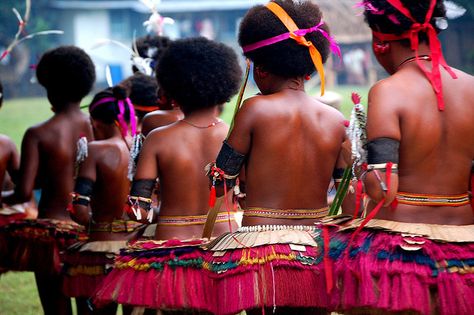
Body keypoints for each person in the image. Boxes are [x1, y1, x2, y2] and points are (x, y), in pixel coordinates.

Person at [328, 0, 474, 314]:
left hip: (399, 254)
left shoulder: (388, 91)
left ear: (380, 40)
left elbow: (383, 188)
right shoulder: (472, 88)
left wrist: (352, 158)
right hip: (465, 248)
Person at [205, 1, 346, 313]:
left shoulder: (255, 109)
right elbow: (347, 193)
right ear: (310, 69)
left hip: (260, 247)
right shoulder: (336, 120)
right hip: (317, 246)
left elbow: (221, 181)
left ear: (261, 67)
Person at [93, 36, 241, 312]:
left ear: (173, 87)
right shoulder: (234, 134)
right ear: (224, 84)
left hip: (172, 247)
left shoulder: (158, 139)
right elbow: (244, 193)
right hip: (225, 243)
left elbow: (137, 210)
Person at [0, 46, 95, 315]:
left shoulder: (38, 134)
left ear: (48, 87)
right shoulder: (96, 127)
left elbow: (23, 193)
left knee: (56, 309)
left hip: (49, 236)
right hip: (88, 232)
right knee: (88, 307)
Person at [62, 86, 144, 315]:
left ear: (95, 122)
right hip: (137, 252)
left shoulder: (95, 150)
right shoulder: (141, 145)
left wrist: (89, 220)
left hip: (100, 252)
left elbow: (79, 209)